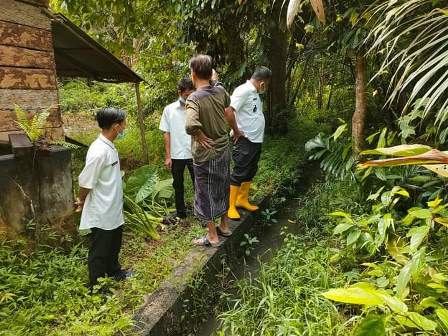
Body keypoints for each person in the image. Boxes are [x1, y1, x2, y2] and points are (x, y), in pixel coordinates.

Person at [185, 55, 243, 247]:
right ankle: (224, 226)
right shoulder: (220, 91)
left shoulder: (193, 98)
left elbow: (191, 124)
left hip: (206, 154)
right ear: (210, 73)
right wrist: (235, 129)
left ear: (193, 74)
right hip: (223, 148)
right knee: (222, 185)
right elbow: (228, 111)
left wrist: (199, 136)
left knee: (205, 193)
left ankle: (212, 236)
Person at [76, 107, 132, 288]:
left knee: (114, 242)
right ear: (116, 126)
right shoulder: (99, 151)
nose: (125, 127)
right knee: (100, 250)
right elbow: (86, 182)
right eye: (123, 123)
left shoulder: (109, 146)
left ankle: (115, 271)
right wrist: (81, 200)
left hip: (113, 205)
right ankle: (96, 286)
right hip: (101, 209)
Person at [227, 66, 272, 220]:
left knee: (251, 170)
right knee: (240, 170)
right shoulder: (243, 90)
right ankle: (231, 206)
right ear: (262, 82)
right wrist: (236, 130)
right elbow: (229, 110)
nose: (266, 87)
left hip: (255, 140)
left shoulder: (254, 93)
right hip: (244, 141)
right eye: (267, 83)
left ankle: (242, 199)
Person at [159, 77, 196, 221]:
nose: (189, 97)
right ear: (180, 92)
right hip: (177, 154)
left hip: (194, 153)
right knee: (178, 184)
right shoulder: (169, 110)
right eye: (187, 95)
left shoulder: (195, 107)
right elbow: (166, 133)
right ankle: (181, 212)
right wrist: (168, 156)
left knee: (198, 183)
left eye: (192, 94)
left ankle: (201, 212)